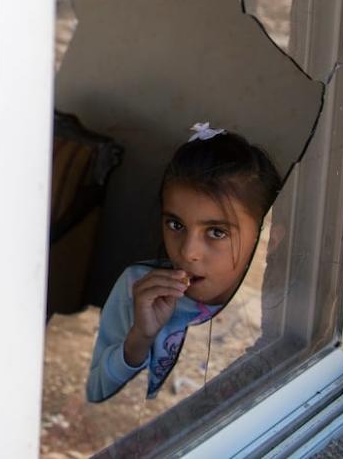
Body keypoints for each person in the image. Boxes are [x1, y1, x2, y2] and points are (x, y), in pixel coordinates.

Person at [85, 123, 282, 402]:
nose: (188, 252)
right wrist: (139, 338)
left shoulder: (276, 310)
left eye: (216, 232)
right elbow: (95, 399)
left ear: (268, 237)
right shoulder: (137, 289)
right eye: (176, 224)